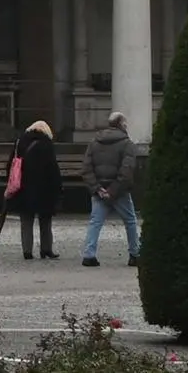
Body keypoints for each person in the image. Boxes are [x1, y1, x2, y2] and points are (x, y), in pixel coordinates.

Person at [82, 112, 140, 267]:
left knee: (95, 222)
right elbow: (127, 170)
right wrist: (113, 190)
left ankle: (89, 255)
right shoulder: (127, 144)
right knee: (130, 221)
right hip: (119, 191)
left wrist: (98, 189)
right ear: (121, 124)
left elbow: (87, 168)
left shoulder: (94, 142)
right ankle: (135, 254)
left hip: (99, 190)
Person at [8, 119, 61, 261]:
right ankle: (46, 249)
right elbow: (53, 170)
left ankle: (27, 251)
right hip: (44, 189)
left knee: (26, 221)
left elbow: (11, 165)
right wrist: (57, 189)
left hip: (23, 188)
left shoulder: (20, 143)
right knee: (45, 220)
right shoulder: (47, 145)